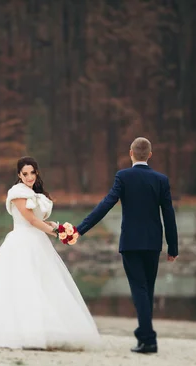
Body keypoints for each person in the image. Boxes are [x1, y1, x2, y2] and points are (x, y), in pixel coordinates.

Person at [0, 156, 101, 350]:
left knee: (45, 283)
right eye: (25, 173)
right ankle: (22, 331)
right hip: (22, 242)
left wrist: (55, 225)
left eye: (32, 173)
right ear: (19, 175)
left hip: (39, 242)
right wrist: (56, 233)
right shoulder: (18, 193)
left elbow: (40, 220)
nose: (29, 177)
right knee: (23, 285)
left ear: (37, 173)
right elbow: (30, 220)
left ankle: (47, 328)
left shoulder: (36, 194)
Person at [75, 137, 179, 354]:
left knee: (139, 289)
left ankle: (147, 339)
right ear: (150, 155)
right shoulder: (161, 179)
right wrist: (173, 246)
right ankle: (145, 337)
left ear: (130, 152)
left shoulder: (124, 176)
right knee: (146, 289)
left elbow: (106, 205)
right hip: (152, 243)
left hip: (131, 242)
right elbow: (168, 214)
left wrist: (80, 229)